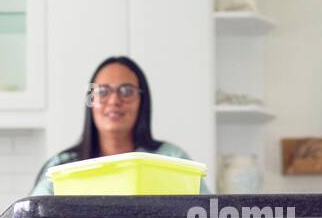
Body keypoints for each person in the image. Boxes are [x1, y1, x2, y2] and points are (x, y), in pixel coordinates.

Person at [30, 55, 211, 195]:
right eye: (103, 91)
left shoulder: (173, 159)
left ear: (142, 101)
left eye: (127, 91)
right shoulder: (62, 168)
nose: (115, 100)